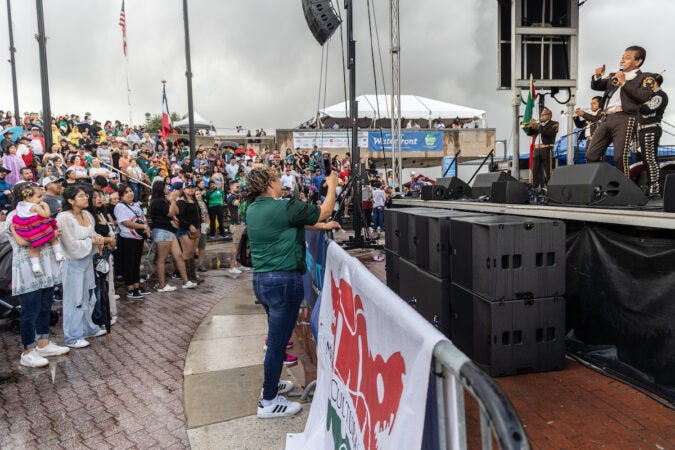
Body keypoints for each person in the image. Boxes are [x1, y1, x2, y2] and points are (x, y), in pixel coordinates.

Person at [245, 166, 340, 419]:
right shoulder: (284, 206)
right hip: (284, 281)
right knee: (277, 344)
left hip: (262, 281)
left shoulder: (253, 208)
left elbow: (286, 227)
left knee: (275, 338)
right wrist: (332, 185)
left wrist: (319, 227)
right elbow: (325, 209)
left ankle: (272, 384)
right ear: (269, 184)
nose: (281, 184)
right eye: (277, 180)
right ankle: (267, 401)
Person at [4, 184, 70, 367]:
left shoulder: (39, 210)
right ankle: (28, 350)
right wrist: (51, 234)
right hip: (28, 268)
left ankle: (43, 343)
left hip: (46, 265)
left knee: (45, 306)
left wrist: (51, 234)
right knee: (29, 309)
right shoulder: (14, 216)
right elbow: (22, 241)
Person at [586, 45, 656, 176]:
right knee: (591, 154)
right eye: (622, 57)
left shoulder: (647, 77)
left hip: (625, 117)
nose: (622, 60)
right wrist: (597, 76)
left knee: (619, 156)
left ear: (638, 61)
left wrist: (624, 83)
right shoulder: (614, 75)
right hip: (606, 117)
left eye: (628, 58)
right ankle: (600, 184)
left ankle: (624, 190)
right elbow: (597, 86)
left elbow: (643, 96)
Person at [57, 186, 107, 348]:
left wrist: (99, 239)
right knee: (74, 298)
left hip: (86, 261)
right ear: (71, 200)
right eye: (81, 196)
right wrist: (91, 241)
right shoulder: (64, 218)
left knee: (88, 295)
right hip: (72, 262)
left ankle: (87, 327)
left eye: (86, 195)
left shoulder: (87, 215)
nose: (86, 198)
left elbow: (91, 234)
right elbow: (70, 245)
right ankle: (72, 336)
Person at [148, 181, 197, 291]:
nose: (168, 188)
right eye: (166, 187)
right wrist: (173, 200)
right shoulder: (156, 202)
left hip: (170, 231)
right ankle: (162, 285)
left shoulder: (164, 200)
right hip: (162, 230)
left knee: (178, 256)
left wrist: (171, 201)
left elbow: (175, 212)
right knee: (162, 258)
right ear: (161, 189)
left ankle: (186, 281)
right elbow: (169, 214)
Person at [11, 182, 66, 275]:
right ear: (28, 197)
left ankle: (35, 266)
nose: (42, 199)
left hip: (25, 230)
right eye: (39, 197)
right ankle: (58, 254)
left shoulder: (20, 205)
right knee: (53, 238)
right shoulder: (34, 206)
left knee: (34, 249)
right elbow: (46, 215)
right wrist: (46, 207)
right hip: (38, 228)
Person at [114, 183, 151, 299]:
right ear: (121, 196)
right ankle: (130, 287)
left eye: (131, 191)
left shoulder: (136, 206)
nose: (130, 193)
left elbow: (143, 219)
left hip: (138, 238)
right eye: (126, 192)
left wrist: (147, 228)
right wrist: (143, 227)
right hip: (127, 239)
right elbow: (125, 222)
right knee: (129, 263)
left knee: (136, 263)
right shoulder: (119, 207)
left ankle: (137, 285)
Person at [638, 74, 668, 197]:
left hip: (651, 128)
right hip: (644, 129)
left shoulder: (660, 95)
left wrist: (637, 101)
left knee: (650, 160)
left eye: (648, 82)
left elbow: (647, 109)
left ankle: (654, 189)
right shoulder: (651, 95)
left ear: (655, 82)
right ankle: (652, 188)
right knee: (647, 160)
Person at [526, 108, 559, 191]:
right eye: (541, 115)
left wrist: (538, 127)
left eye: (543, 115)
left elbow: (550, 134)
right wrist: (531, 126)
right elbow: (529, 133)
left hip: (547, 148)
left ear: (549, 116)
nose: (541, 116)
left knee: (548, 170)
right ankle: (535, 187)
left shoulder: (554, 124)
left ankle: (550, 188)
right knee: (535, 169)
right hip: (537, 149)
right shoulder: (539, 125)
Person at [176, 180, 202, 283]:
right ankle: (187, 278)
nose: (191, 189)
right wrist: (189, 225)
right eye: (188, 187)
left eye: (192, 187)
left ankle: (192, 276)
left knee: (191, 253)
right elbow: (178, 216)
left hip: (195, 230)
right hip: (185, 231)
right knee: (186, 254)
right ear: (184, 189)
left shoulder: (194, 200)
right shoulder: (181, 201)